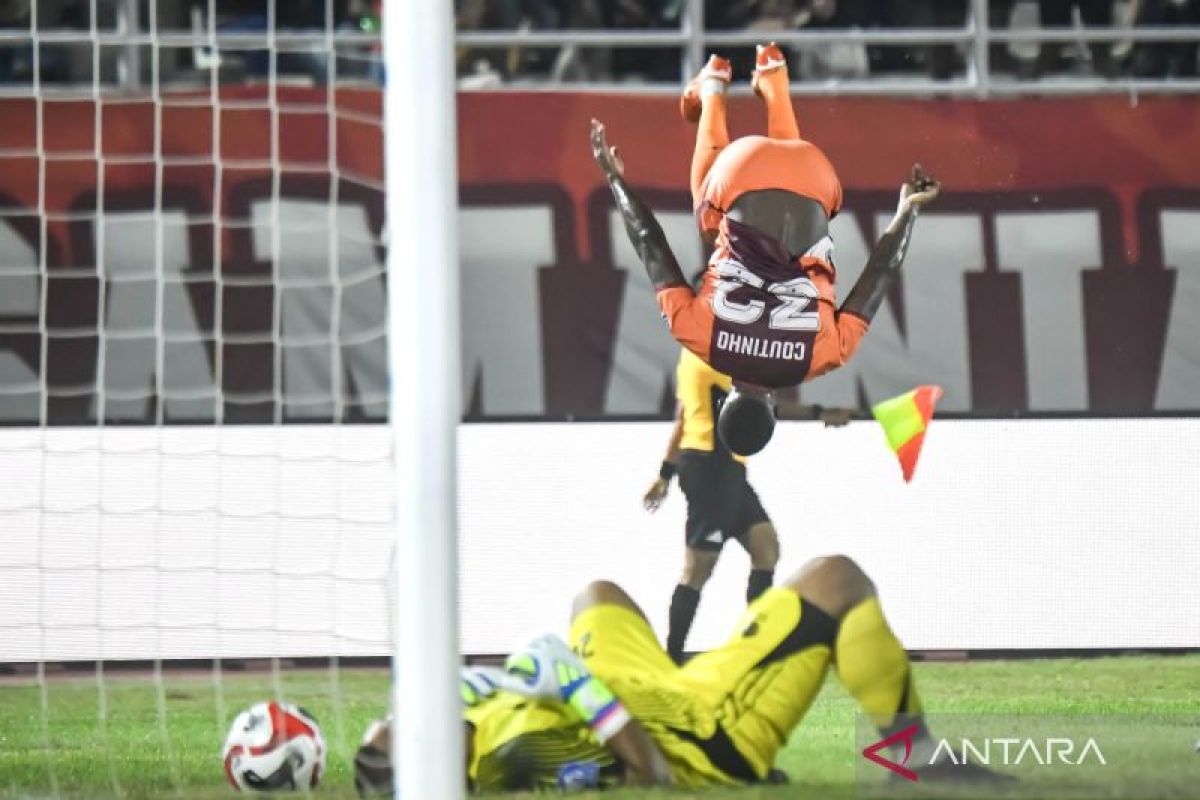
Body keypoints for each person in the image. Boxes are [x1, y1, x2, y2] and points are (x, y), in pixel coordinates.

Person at [353, 555, 1004, 793]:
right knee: (838, 579)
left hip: (634, 690)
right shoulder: (511, 754)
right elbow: (647, 773)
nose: (392, 729)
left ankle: (663, 672)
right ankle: (917, 755)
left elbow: (546, 666)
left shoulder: (461, 723)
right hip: (696, 730)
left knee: (595, 593)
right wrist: (578, 689)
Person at [590, 43, 941, 456]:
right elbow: (650, 243)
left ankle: (774, 80)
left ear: (773, 407)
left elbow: (879, 276)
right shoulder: (698, 337)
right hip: (740, 167)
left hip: (815, 176)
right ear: (726, 399)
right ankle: (714, 89)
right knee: (708, 227)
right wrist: (615, 180)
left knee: (791, 196)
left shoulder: (823, 357)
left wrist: (908, 211)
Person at [645, 343, 854, 663]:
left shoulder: (694, 354)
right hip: (709, 469)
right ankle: (672, 658)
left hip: (727, 471)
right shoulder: (712, 356)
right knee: (698, 569)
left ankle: (755, 649)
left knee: (766, 547)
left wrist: (664, 474)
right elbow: (757, 407)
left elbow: (685, 418)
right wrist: (819, 413)